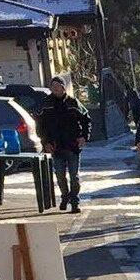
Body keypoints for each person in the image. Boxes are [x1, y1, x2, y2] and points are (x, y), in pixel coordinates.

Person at [36, 76, 91, 213]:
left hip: (72, 146)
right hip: (56, 147)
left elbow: (86, 119)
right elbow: (40, 125)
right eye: (53, 86)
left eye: (57, 86)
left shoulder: (73, 103)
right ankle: (65, 197)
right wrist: (45, 142)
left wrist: (84, 137)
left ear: (63, 87)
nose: (55, 89)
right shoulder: (46, 104)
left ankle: (75, 202)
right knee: (60, 176)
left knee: (74, 177)